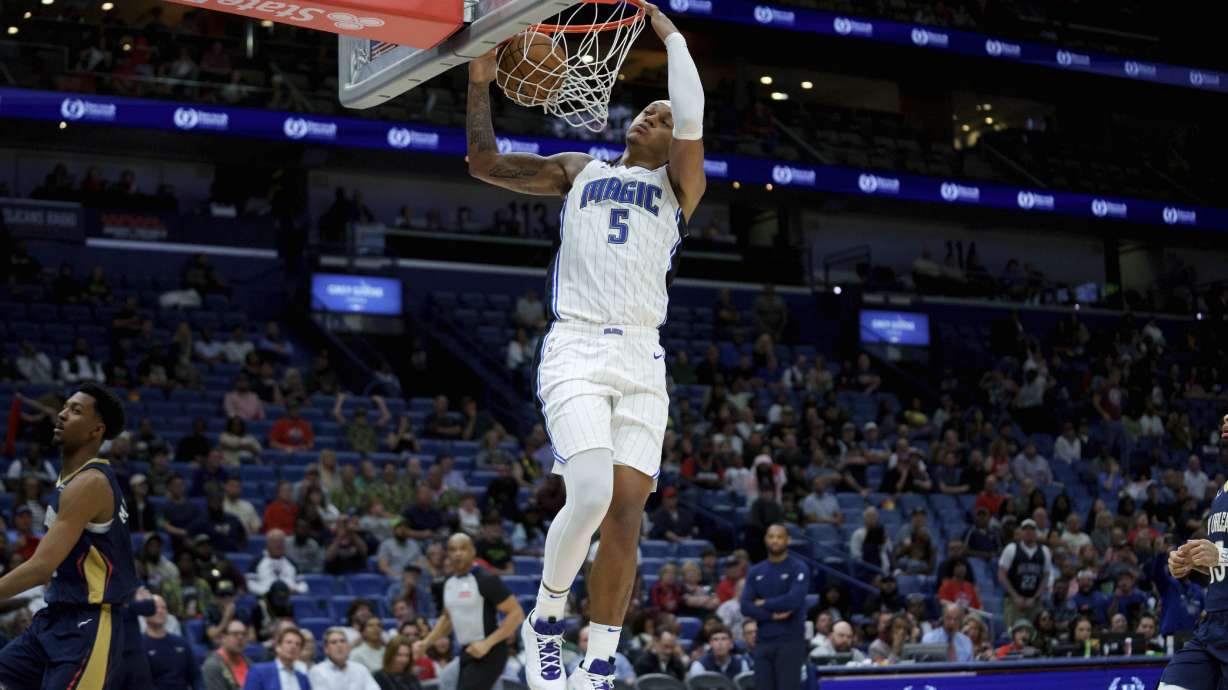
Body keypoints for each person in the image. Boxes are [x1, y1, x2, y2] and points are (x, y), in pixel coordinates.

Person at [469, 2, 706, 687]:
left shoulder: (679, 188)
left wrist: (670, 33)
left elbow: (691, 112)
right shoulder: (579, 169)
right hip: (576, 345)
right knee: (594, 490)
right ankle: (546, 619)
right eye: (648, 109)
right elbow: (484, 162)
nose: (651, 116)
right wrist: (479, 82)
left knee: (626, 515)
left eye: (663, 118)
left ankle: (599, 663)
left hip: (642, 357)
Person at [0, 383, 138, 690]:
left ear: (96, 431)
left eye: (75, 411)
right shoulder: (70, 479)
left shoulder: (90, 483)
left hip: (89, 625)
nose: (62, 414)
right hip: (54, 618)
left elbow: (40, 568)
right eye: (65, 407)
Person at [1156, 413, 1228, 690]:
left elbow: (1223, 557)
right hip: (1213, 624)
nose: (1225, 419)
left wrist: (1220, 556)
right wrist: (1193, 562)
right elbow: (1221, 565)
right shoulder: (1221, 493)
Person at [415, 533, 526, 690]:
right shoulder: (449, 583)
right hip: (467, 651)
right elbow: (447, 619)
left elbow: (516, 613)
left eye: (463, 548)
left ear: (473, 551)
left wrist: (487, 644)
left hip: (490, 651)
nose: (458, 553)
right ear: (448, 554)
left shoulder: (485, 579)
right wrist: (426, 643)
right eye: (453, 549)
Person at [740, 525, 809, 690]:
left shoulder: (798, 567)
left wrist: (763, 603)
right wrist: (771, 616)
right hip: (763, 640)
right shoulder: (756, 571)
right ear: (765, 539)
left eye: (779, 537)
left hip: (790, 640)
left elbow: (793, 601)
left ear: (787, 540)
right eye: (771, 536)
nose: (775, 540)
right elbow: (745, 606)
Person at [997, 518, 1051, 628]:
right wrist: (1016, 597)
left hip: (1034, 602)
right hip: (1014, 601)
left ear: (1036, 532)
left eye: (1031, 529)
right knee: (1014, 632)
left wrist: (1034, 597)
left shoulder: (1044, 551)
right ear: (1020, 532)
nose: (1028, 532)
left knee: (1036, 633)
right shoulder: (1011, 549)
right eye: (1025, 529)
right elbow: (1002, 575)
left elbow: (1045, 577)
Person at [142, 594, 202, 690]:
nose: (160, 611)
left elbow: (196, 677)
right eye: (155, 607)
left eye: (163, 608)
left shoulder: (181, 643)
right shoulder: (138, 646)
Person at [242, 626, 311, 689]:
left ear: (300, 652)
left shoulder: (303, 679)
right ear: (278, 647)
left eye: (297, 644)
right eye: (289, 642)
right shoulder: (259, 671)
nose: (293, 646)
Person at [311, 627, 380, 690]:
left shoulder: (360, 669)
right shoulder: (318, 671)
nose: (339, 645)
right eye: (334, 642)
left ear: (348, 646)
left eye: (343, 641)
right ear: (326, 649)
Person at [202, 619, 253, 690]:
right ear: (223, 638)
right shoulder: (212, 666)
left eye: (244, 634)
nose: (240, 637)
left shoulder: (249, 663)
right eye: (235, 634)